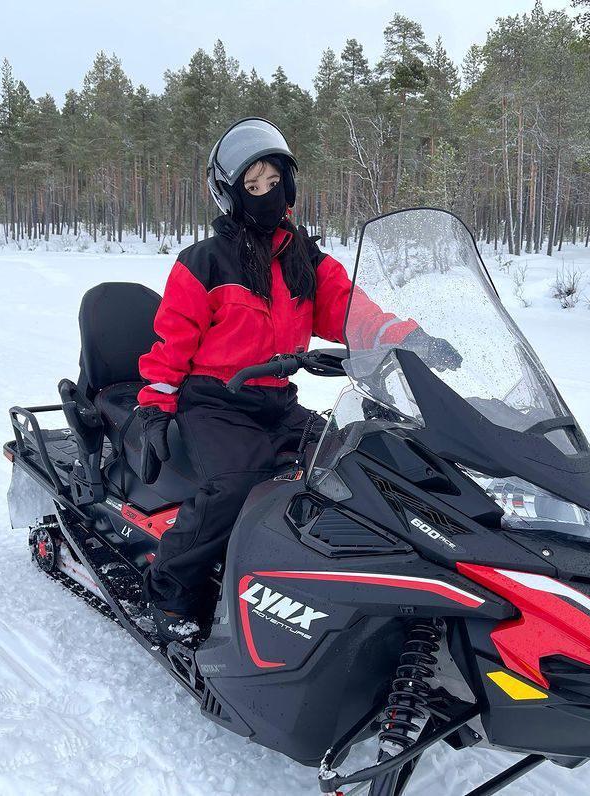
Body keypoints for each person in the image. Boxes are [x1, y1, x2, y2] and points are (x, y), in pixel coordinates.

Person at [136, 117, 461, 642]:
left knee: (356, 462)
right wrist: (155, 408)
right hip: (216, 404)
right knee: (235, 486)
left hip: (278, 401)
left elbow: (354, 312)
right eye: (252, 185)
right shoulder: (203, 264)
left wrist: (410, 340)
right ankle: (168, 590)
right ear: (232, 195)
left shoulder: (306, 260)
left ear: (288, 186)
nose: (266, 194)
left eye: (274, 181)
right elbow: (172, 343)